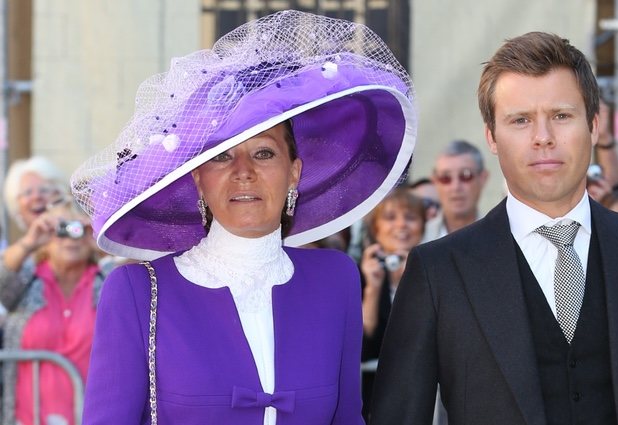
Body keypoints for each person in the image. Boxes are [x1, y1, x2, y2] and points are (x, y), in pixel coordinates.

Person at [74, 11, 416, 425]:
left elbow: (347, 418)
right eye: (221, 155)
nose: (244, 171)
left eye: (264, 152)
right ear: (198, 179)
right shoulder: (135, 292)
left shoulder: (335, 278)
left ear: (294, 172)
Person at [370, 31, 618, 425]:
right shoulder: (439, 270)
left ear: (593, 125)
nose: (543, 138)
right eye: (520, 120)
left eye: (560, 115)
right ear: (492, 137)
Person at [1, 200, 106, 425]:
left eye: (77, 229)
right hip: (27, 419)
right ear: (46, 239)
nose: (69, 238)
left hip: (92, 418)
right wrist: (29, 242)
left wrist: (104, 243)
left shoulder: (107, 280)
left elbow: (147, 276)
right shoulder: (28, 279)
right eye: (61, 229)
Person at [359, 188, 426, 419]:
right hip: (372, 396)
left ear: (423, 226)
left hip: (422, 395)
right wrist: (373, 288)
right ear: (376, 228)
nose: (401, 225)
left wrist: (415, 279)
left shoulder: (436, 273)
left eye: (410, 217)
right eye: (390, 217)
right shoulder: (357, 274)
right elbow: (363, 345)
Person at [1, 157, 69, 307]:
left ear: (59, 196)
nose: (36, 197)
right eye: (27, 192)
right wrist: (29, 243)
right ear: (16, 205)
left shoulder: (79, 243)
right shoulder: (19, 257)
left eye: (44, 190)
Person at [423, 140, 488, 242]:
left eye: (466, 176)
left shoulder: (503, 236)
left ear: (483, 178)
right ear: (435, 181)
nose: (455, 187)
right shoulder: (418, 239)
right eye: (445, 178)